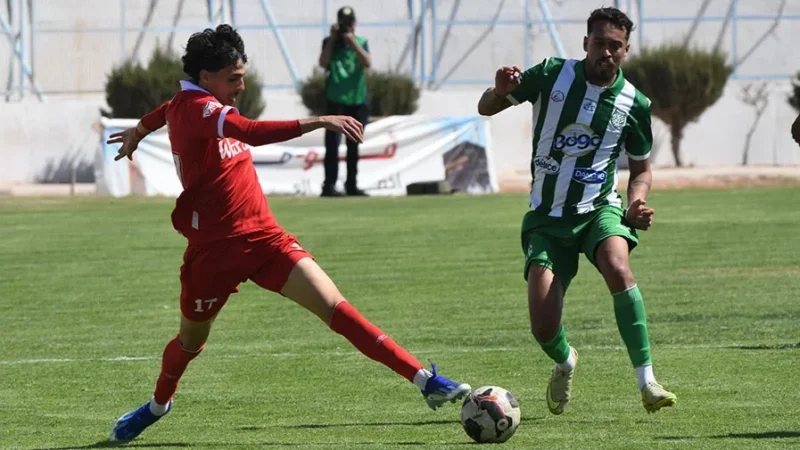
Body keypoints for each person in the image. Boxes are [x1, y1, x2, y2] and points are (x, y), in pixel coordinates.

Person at [106, 24, 470, 442]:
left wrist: (139, 129)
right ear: (206, 77)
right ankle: (157, 405)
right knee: (190, 342)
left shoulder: (190, 103)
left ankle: (425, 381)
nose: (241, 87)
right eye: (234, 79)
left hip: (264, 239)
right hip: (213, 254)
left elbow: (162, 110)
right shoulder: (198, 109)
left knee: (337, 308)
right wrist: (317, 121)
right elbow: (248, 132)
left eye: (242, 77)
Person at [477, 7, 676, 415]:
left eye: (615, 46)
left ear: (626, 50)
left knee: (618, 267)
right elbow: (486, 108)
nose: (606, 52)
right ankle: (566, 361)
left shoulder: (634, 103)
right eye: (599, 43)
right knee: (544, 326)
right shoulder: (551, 74)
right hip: (547, 218)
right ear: (586, 43)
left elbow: (641, 170)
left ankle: (647, 380)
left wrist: (636, 200)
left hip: (599, 210)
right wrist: (498, 91)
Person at [317, 6, 371, 197]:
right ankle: (329, 185)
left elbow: (367, 62)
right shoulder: (329, 42)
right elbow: (323, 63)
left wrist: (353, 42)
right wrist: (333, 39)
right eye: (343, 24)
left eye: (349, 23)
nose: (346, 27)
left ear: (354, 24)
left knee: (354, 144)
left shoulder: (361, 42)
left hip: (357, 101)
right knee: (332, 145)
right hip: (335, 100)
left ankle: (351, 184)